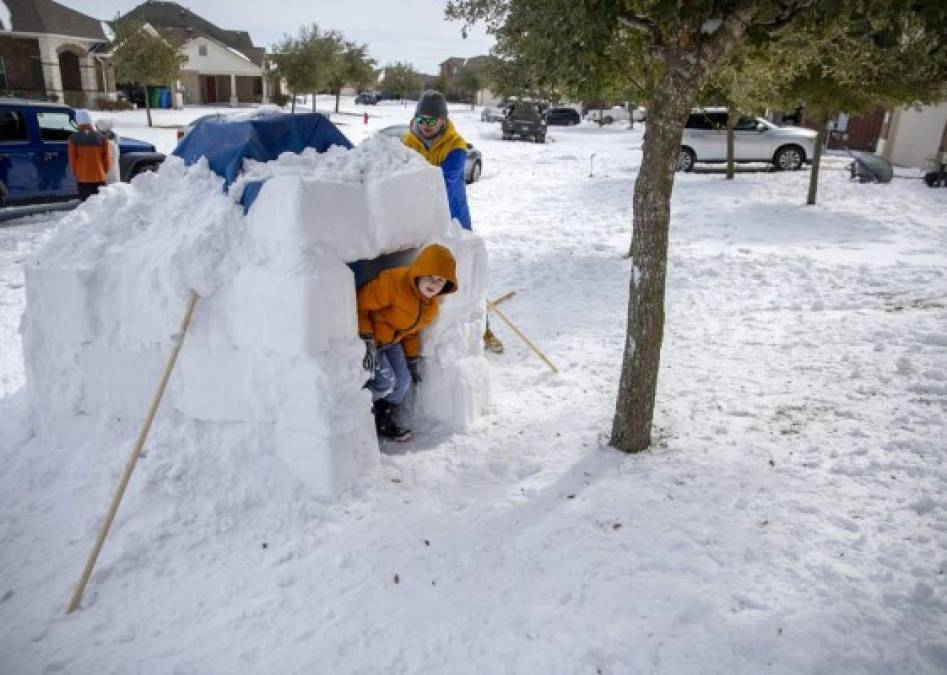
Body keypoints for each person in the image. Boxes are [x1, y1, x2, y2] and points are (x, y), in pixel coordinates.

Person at [402, 89, 505, 354]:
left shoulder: (456, 147)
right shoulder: (408, 142)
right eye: (422, 120)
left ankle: (484, 327)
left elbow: (440, 182)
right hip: (422, 219)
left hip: (455, 221)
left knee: (465, 277)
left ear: (444, 121)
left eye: (432, 121)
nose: (426, 126)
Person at [357, 244, 458, 442]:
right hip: (371, 337)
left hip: (392, 342)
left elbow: (411, 334)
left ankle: (383, 420)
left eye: (440, 280)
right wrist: (367, 337)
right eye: (430, 276)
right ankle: (359, 415)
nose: (434, 284)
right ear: (419, 271)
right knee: (386, 382)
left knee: (403, 383)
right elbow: (360, 304)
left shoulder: (430, 307)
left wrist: (412, 359)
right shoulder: (394, 282)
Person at [67, 109, 110, 201]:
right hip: (99, 177)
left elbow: (73, 160)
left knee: (86, 205)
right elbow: (107, 159)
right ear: (90, 120)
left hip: (83, 178)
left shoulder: (73, 139)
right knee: (100, 203)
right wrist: (104, 171)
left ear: (78, 121)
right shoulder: (102, 138)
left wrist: (77, 173)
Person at [94, 118, 121, 184]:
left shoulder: (109, 144)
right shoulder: (113, 141)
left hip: (108, 179)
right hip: (113, 177)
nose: (96, 129)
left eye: (97, 127)